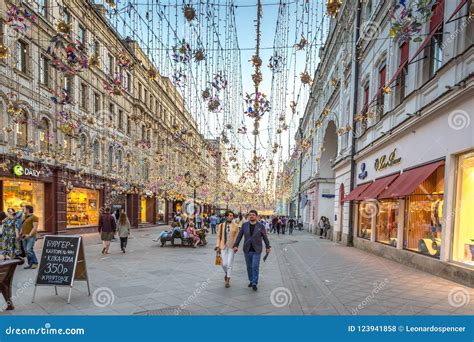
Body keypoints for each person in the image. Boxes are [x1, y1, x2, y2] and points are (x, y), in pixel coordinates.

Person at [233, 210, 271, 291]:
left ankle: (254, 283)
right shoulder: (244, 225)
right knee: (249, 267)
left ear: (256, 216)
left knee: (255, 266)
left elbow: (265, 237)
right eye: (250, 215)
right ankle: (251, 280)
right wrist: (236, 245)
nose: (251, 216)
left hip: (257, 249)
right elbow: (239, 236)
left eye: (253, 215)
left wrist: (268, 246)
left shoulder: (261, 226)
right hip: (247, 249)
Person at [215, 211, 239, 288]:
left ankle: (227, 280)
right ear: (226, 216)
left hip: (231, 246)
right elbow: (218, 237)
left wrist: (236, 246)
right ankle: (226, 273)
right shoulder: (221, 225)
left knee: (229, 264)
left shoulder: (235, 225)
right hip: (223, 246)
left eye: (232, 215)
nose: (231, 217)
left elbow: (237, 237)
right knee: (224, 263)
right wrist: (217, 246)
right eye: (230, 215)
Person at [20, 205, 39, 269]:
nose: (22, 209)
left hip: (31, 236)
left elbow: (35, 228)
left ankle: (35, 263)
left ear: (28, 210)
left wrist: (29, 235)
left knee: (29, 249)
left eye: (24, 209)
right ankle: (30, 264)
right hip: (24, 236)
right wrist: (20, 234)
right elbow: (22, 227)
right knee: (26, 251)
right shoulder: (24, 217)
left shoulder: (34, 217)